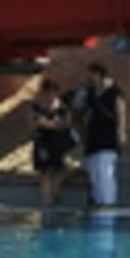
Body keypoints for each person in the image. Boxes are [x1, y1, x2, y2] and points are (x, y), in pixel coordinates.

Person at [79, 60, 124, 207]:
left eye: (91, 74)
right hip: (94, 133)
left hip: (108, 133)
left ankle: (108, 200)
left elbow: (120, 111)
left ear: (98, 74)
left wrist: (121, 131)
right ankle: (98, 199)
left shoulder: (114, 91)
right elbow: (86, 112)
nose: (89, 78)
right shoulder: (91, 92)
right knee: (93, 169)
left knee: (105, 169)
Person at [29, 75, 76, 208]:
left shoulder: (62, 107)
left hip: (59, 142)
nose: (50, 95)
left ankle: (54, 192)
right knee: (45, 172)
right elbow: (34, 123)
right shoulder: (38, 107)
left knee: (62, 169)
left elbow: (66, 123)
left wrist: (47, 123)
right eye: (48, 92)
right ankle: (47, 201)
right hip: (43, 142)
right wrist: (52, 124)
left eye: (53, 92)